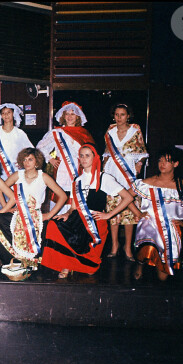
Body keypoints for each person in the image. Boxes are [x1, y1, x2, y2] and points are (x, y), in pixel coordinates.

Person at [40, 144, 134, 278]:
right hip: (77, 219)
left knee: (90, 269)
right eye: (81, 156)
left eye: (87, 156)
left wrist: (108, 215)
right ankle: (67, 263)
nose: (84, 159)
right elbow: (73, 206)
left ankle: (77, 263)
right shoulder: (77, 180)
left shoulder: (104, 178)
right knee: (53, 224)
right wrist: (67, 214)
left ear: (95, 157)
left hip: (95, 222)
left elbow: (128, 197)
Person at [0, 147, 67, 273]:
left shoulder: (44, 177)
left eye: (30, 159)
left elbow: (63, 196)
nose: (27, 162)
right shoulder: (17, 175)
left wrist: (50, 214)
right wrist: (6, 209)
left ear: (37, 162)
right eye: (24, 160)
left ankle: (27, 262)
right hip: (17, 214)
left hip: (35, 216)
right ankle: (1, 259)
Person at [130, 146, 183, 281]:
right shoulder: (148, 183)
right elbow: (127, 197)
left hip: (171, 230)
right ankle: (140, 264)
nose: (162, 164)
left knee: (163, 273)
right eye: (160, 160)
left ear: (176, 164)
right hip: (150, 224)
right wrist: (138, 213)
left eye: (167, 161)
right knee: (147, 249)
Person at [102, 104, 149, 261]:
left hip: (128, 172)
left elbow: (142, 152)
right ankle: (114, 245)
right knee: (113, 211)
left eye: (122, 114)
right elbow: (106, 154)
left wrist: (139, 164)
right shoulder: (110, 131)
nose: (119, 117)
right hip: (112, 172)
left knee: (130, 213)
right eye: (116, 114)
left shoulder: (135, 130)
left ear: (128, 115)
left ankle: (128, 247)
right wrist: (103, 171)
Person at [36, 101, 95, 215]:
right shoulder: (57, 132)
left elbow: (93, 152)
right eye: (67, 114)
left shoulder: (84, 133)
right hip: (62, 170)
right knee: (61, 196)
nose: (69, 117)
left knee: (78, 197)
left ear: (78, 116)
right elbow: (40, 147)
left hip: (80, 169)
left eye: (73, 114)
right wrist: (50, 159)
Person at [0, 103, 34, 182]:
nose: (6, 115)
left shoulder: (20, 133)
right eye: (3, 113)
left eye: (8, 112)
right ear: (0, 115)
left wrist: (22, 162)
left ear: (13, 114)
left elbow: (30, 151)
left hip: (15, 171)